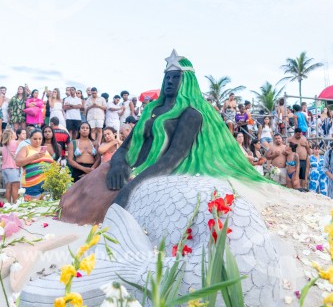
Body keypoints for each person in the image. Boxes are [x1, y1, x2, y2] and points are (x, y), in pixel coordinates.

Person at [106, 51, 265, 208]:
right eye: (167, 77)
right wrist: (118, 163)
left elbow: (174, 157)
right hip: (131, 168)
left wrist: (131, 187)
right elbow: (125, 146)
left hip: (158, 176)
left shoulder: (191, 114)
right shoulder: (150, 110)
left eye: (176, 77)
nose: (169, 81)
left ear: (187, 81)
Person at [16, 128, 54, 199]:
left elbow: (51, 163)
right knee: (32, 208)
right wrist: (33, 157)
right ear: (30, 139)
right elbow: (18, 162)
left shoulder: (44, 149)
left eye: (40, 139)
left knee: (46, 208)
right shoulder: (25, 148)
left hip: (46, 185)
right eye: (35, 139)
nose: (38, 141)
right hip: (31, 185)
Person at [0, 129, 20, 203]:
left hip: (5, 168)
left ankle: (8, 204)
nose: (16, 134)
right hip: (12, 168)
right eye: (14, 133)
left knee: (8, 187)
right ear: (11, 135)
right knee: (15, 186)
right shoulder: (14, 143)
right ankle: (15, 203)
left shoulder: (5, 144)